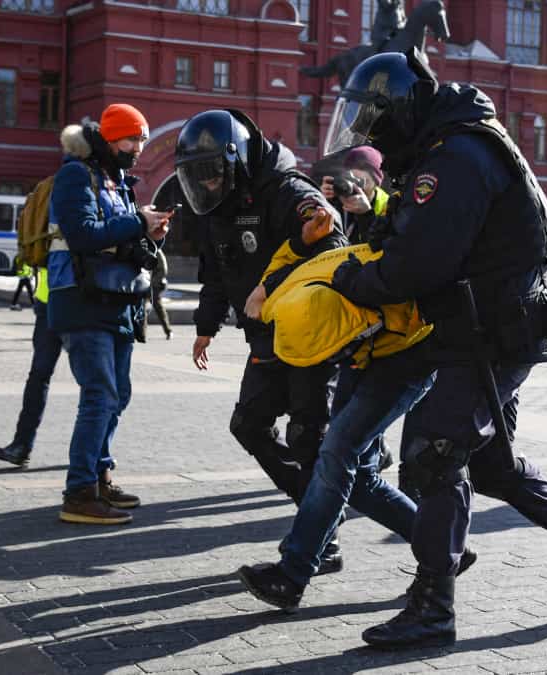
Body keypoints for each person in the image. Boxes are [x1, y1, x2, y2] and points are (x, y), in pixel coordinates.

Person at [318, 51, 547, 649]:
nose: (370, 137)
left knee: (435, 453)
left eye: (373, 123)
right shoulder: (443, 147)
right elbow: (412, 233)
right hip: (486, 327)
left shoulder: (456, 156)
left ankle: (433, 605)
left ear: (399, 110)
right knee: (490, 465)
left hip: (495, 332)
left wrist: (352, 281)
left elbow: (419, 263)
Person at [236, 231, 478, 612]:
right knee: (361, 480)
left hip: (406, 359)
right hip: (364, 355)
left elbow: (415, 295)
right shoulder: (297, 292)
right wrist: (265, 288)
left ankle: (292, 574)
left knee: (337, 451)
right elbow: (289, 268)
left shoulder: (384, 304)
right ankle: (445, 551)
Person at [178, 108, 351, 570]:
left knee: (308, 436)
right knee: (249, 426)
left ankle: (322, 537)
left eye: (213, 175)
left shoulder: (288, 191)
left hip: (310, 335)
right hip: (265, 337)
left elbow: (332, 248)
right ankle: (315, 507)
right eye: (200, 178)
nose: (208, 185)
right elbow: (217, 272)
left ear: (235, 160)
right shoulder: (218, 207)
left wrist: (270, 287)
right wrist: (205, 326)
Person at [47, 103, 171, 524]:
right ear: (110, 137)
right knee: (99, 395)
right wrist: (138, 221)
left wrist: (151, 233)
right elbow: (83, 235)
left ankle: (100, 476)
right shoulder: (75, 175)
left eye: (143, 140)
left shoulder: (117, 182)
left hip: (117, 300)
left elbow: (121, 240)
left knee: (118, 393)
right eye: (132, 139)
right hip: (81, 299)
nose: (139, 148)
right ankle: (79, 492)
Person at [319, 144, 396, 474]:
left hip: (376, 316)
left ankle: (364, 459)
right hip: (342, 310)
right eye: (349, 177)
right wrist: (323, 201)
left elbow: (383, 253)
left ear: (376, 179)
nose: (354, 185)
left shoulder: (387, 206)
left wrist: (364, 213)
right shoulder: (338, 204)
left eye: (361, 178)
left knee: (361, 396)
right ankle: (367, 454)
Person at [0, 267, 61, 467]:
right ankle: (21, 445)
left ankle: (95, 452)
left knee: (92, 381)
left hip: (81, 304)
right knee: (38, 376)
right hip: (48, 303)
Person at [149, 248, 172, 339]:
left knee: (158, 307)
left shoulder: (156, 250)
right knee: (141, 308)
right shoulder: (143, 247)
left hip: (154, 285)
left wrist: (152, 281)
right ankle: (141, 334)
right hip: (144, 283)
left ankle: (168, 331)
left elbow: (163, 269)